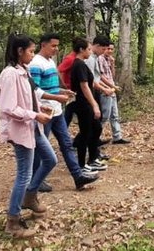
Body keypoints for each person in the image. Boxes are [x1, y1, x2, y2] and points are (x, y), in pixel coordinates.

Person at [0, 34, 57, 238]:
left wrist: (41, 108)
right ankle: (12, 220)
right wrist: (34, 114)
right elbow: (8, 107)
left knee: (50, 160)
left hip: (32, 127)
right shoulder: (9, 74)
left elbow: (27, 99)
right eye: (30, 51)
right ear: (19, 51)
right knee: (24, 173)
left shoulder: (23, 71)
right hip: (21, 129)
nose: (33, 55)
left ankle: (30, 197)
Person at [29, 33, 98, 192]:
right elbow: (35, 90)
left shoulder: (51, 62)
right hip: (44, 111)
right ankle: (36, 180)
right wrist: (56, 96)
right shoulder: (35, 63)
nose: (56, 49)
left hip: (57, 110)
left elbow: (50, 86)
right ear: (43, 45)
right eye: (53, 46)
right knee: (42, 146)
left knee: (66, 144)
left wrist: (63, 91)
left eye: (57, 46)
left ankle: (78, 177)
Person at [70, 38, 107, 172]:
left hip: (87, 103)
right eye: (89, 49)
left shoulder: (82, 64)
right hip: (83, 103)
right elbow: (84, 86)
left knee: (96, 128)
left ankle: (92, 159)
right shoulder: (79, 64)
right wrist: (94, 105)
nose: (90, 52)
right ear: (81, 50)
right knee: (85, 133)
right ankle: (81, 165)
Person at [85, 36, 116, 163]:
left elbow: (97, 78)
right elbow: (90, 81)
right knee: (94, 126)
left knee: (96, 126)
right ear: (95, 46)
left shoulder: (95, 58)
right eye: (103, 49)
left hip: (96, 92)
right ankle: (90, 156)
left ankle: (95, 153)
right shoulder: (90, 60)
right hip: (91, 94)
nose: (104, 52)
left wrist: (108, 87)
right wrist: (105, 89)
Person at [98, 42, 130, 144]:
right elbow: (101, 77)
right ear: (104, 49)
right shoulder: (100, 59)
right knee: (104, 117)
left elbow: (112, 75)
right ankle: (96, 137)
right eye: (108, 49)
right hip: (105, 90)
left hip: (112, 90)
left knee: (115, 115)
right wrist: (112, 87)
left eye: (112, 49)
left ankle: (117, 137)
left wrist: (113, 64)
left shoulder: (108, 59)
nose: (110, 51)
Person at [57, 49, 77, 126]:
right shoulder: (70, 59)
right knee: (69, 111)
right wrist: (63, 84)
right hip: (69, 90)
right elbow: (59, 70)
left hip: (74, 90)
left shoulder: (77, 59)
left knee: (70, 111)